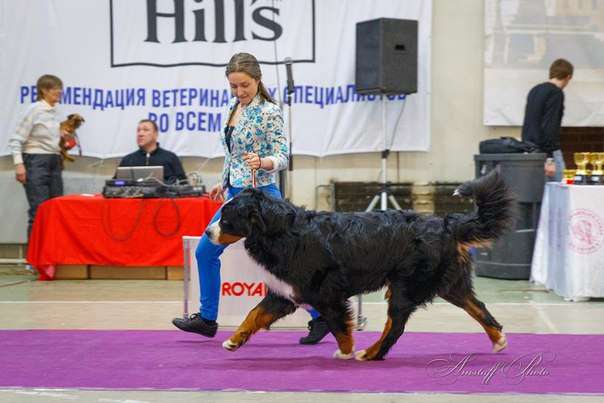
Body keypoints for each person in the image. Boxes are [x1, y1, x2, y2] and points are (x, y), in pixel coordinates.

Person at [172, 52, 329, 345]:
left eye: (244, 85)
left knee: (283, 267)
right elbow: (233, 155)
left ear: (257, 79)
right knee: (205, 253)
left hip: (263, 198)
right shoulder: (233, 109)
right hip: (235, 197)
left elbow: (282, 155)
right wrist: (224, 182)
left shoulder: (270, 111)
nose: (239, 91)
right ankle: (207, 319)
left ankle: (322, 317)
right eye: (233, 86)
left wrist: (265, 162)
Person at [9, 74, 68, 244]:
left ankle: (50, 254)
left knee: (55, 209)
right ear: (43, 90)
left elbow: (53, 140)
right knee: (39, 211)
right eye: (55, 88)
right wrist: (19, 165)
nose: (59, 91)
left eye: (60, 87)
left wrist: (64, 139)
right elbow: (16, 139)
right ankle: (33, 259)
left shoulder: (56, 112)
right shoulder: (34, 109)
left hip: (54, 162)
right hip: (36, 162)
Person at [521, 58, 574, 182]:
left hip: (529, 150)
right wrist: (550, 159)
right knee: (561, 192)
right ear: (568, 77)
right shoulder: (556, 93)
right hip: (547, 152)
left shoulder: (535, 90)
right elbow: (550, 126)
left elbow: (530, 122)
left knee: (538, 195)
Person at [118, 119, 187, 184]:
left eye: (145, 130)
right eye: (138, 130)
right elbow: (115, 183)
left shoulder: (171, 157)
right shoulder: (127, 160)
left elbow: (183, 184)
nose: (140, 134)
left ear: (155, 134)